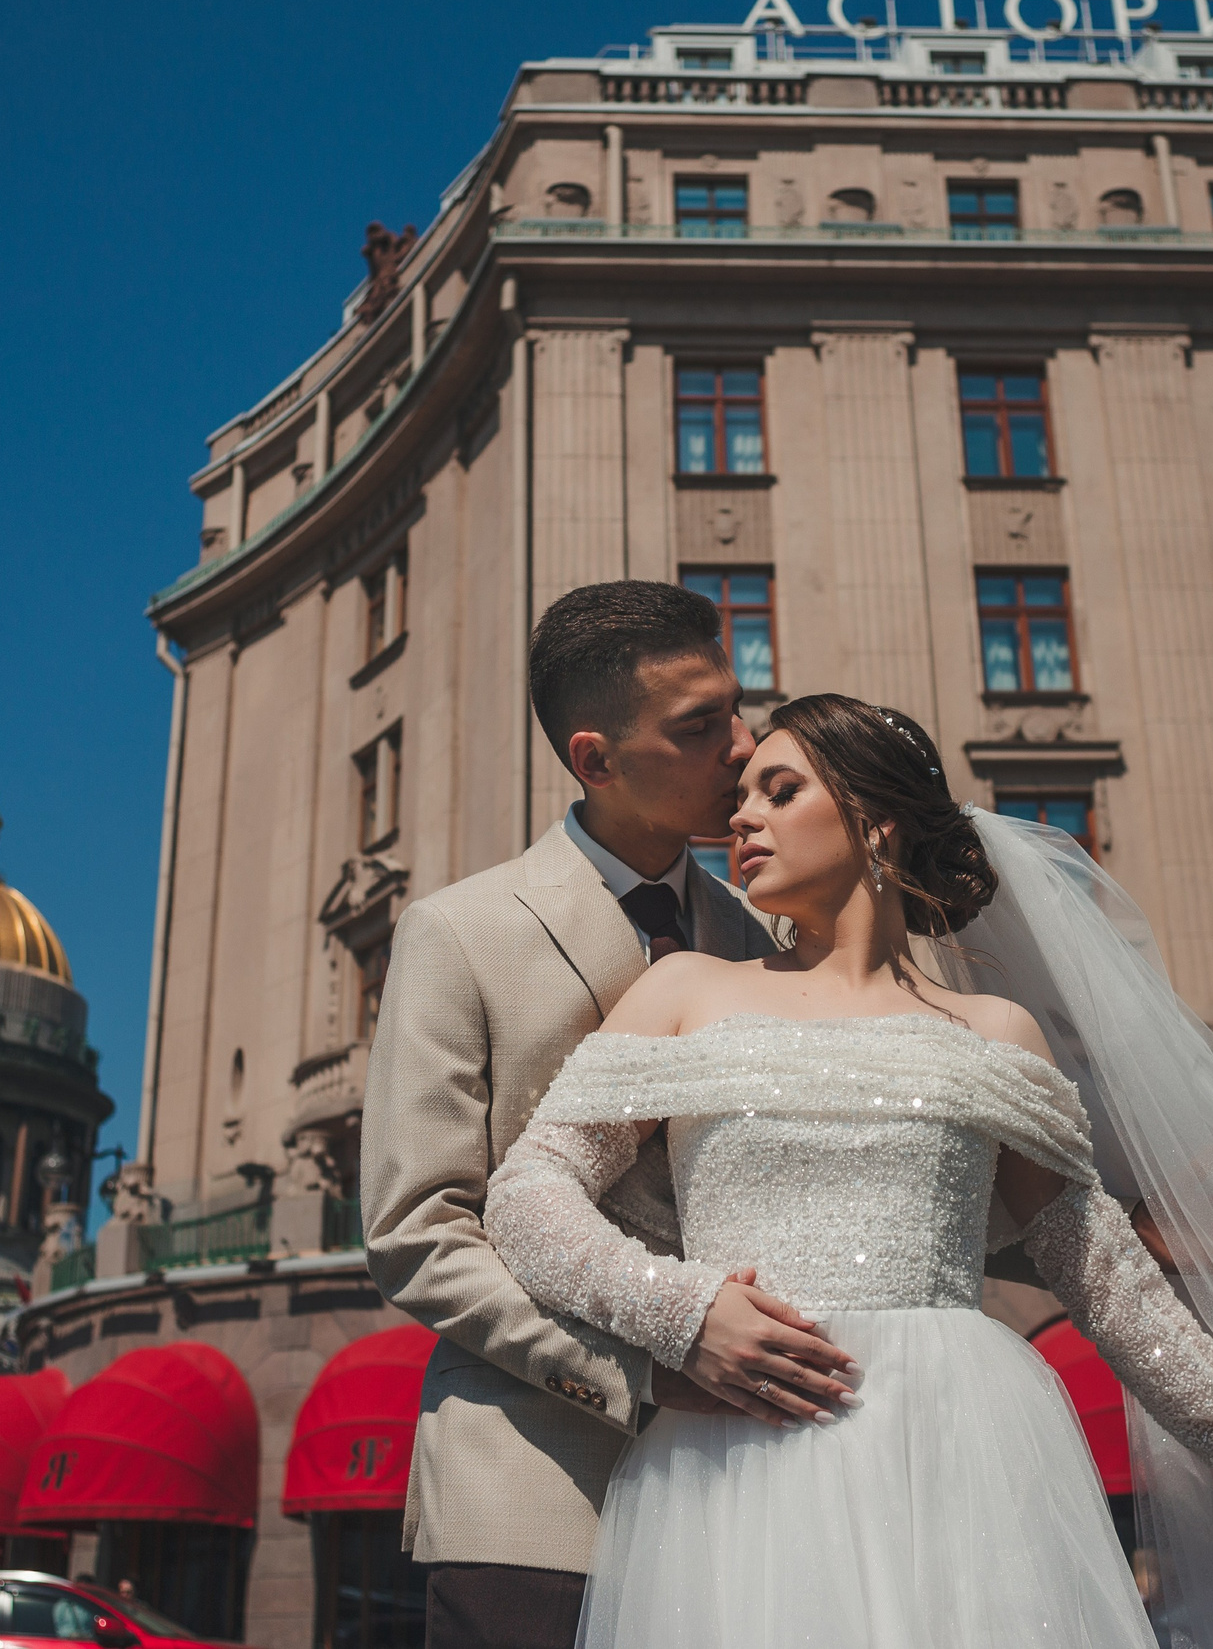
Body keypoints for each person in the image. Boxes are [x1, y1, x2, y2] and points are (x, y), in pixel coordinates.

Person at [483, 695, 1213, 1649]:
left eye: (780, 789)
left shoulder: (993, 1032)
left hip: (959, 1451)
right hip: (741, 1446)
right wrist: (685, 1311)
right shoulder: (684, 989)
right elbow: (527, 1196)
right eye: (741, 796)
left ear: (877, 820)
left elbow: (1108, 1284)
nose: (739, 819)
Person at [362, 581, 824, 1649]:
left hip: (740, 1486)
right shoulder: (457, 932)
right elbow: (418, 1234)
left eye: (737, 710)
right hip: (530, 1487)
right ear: (595, 759)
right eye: (699, 727)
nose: (744, 747)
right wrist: (646, 1370)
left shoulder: (761, 942)